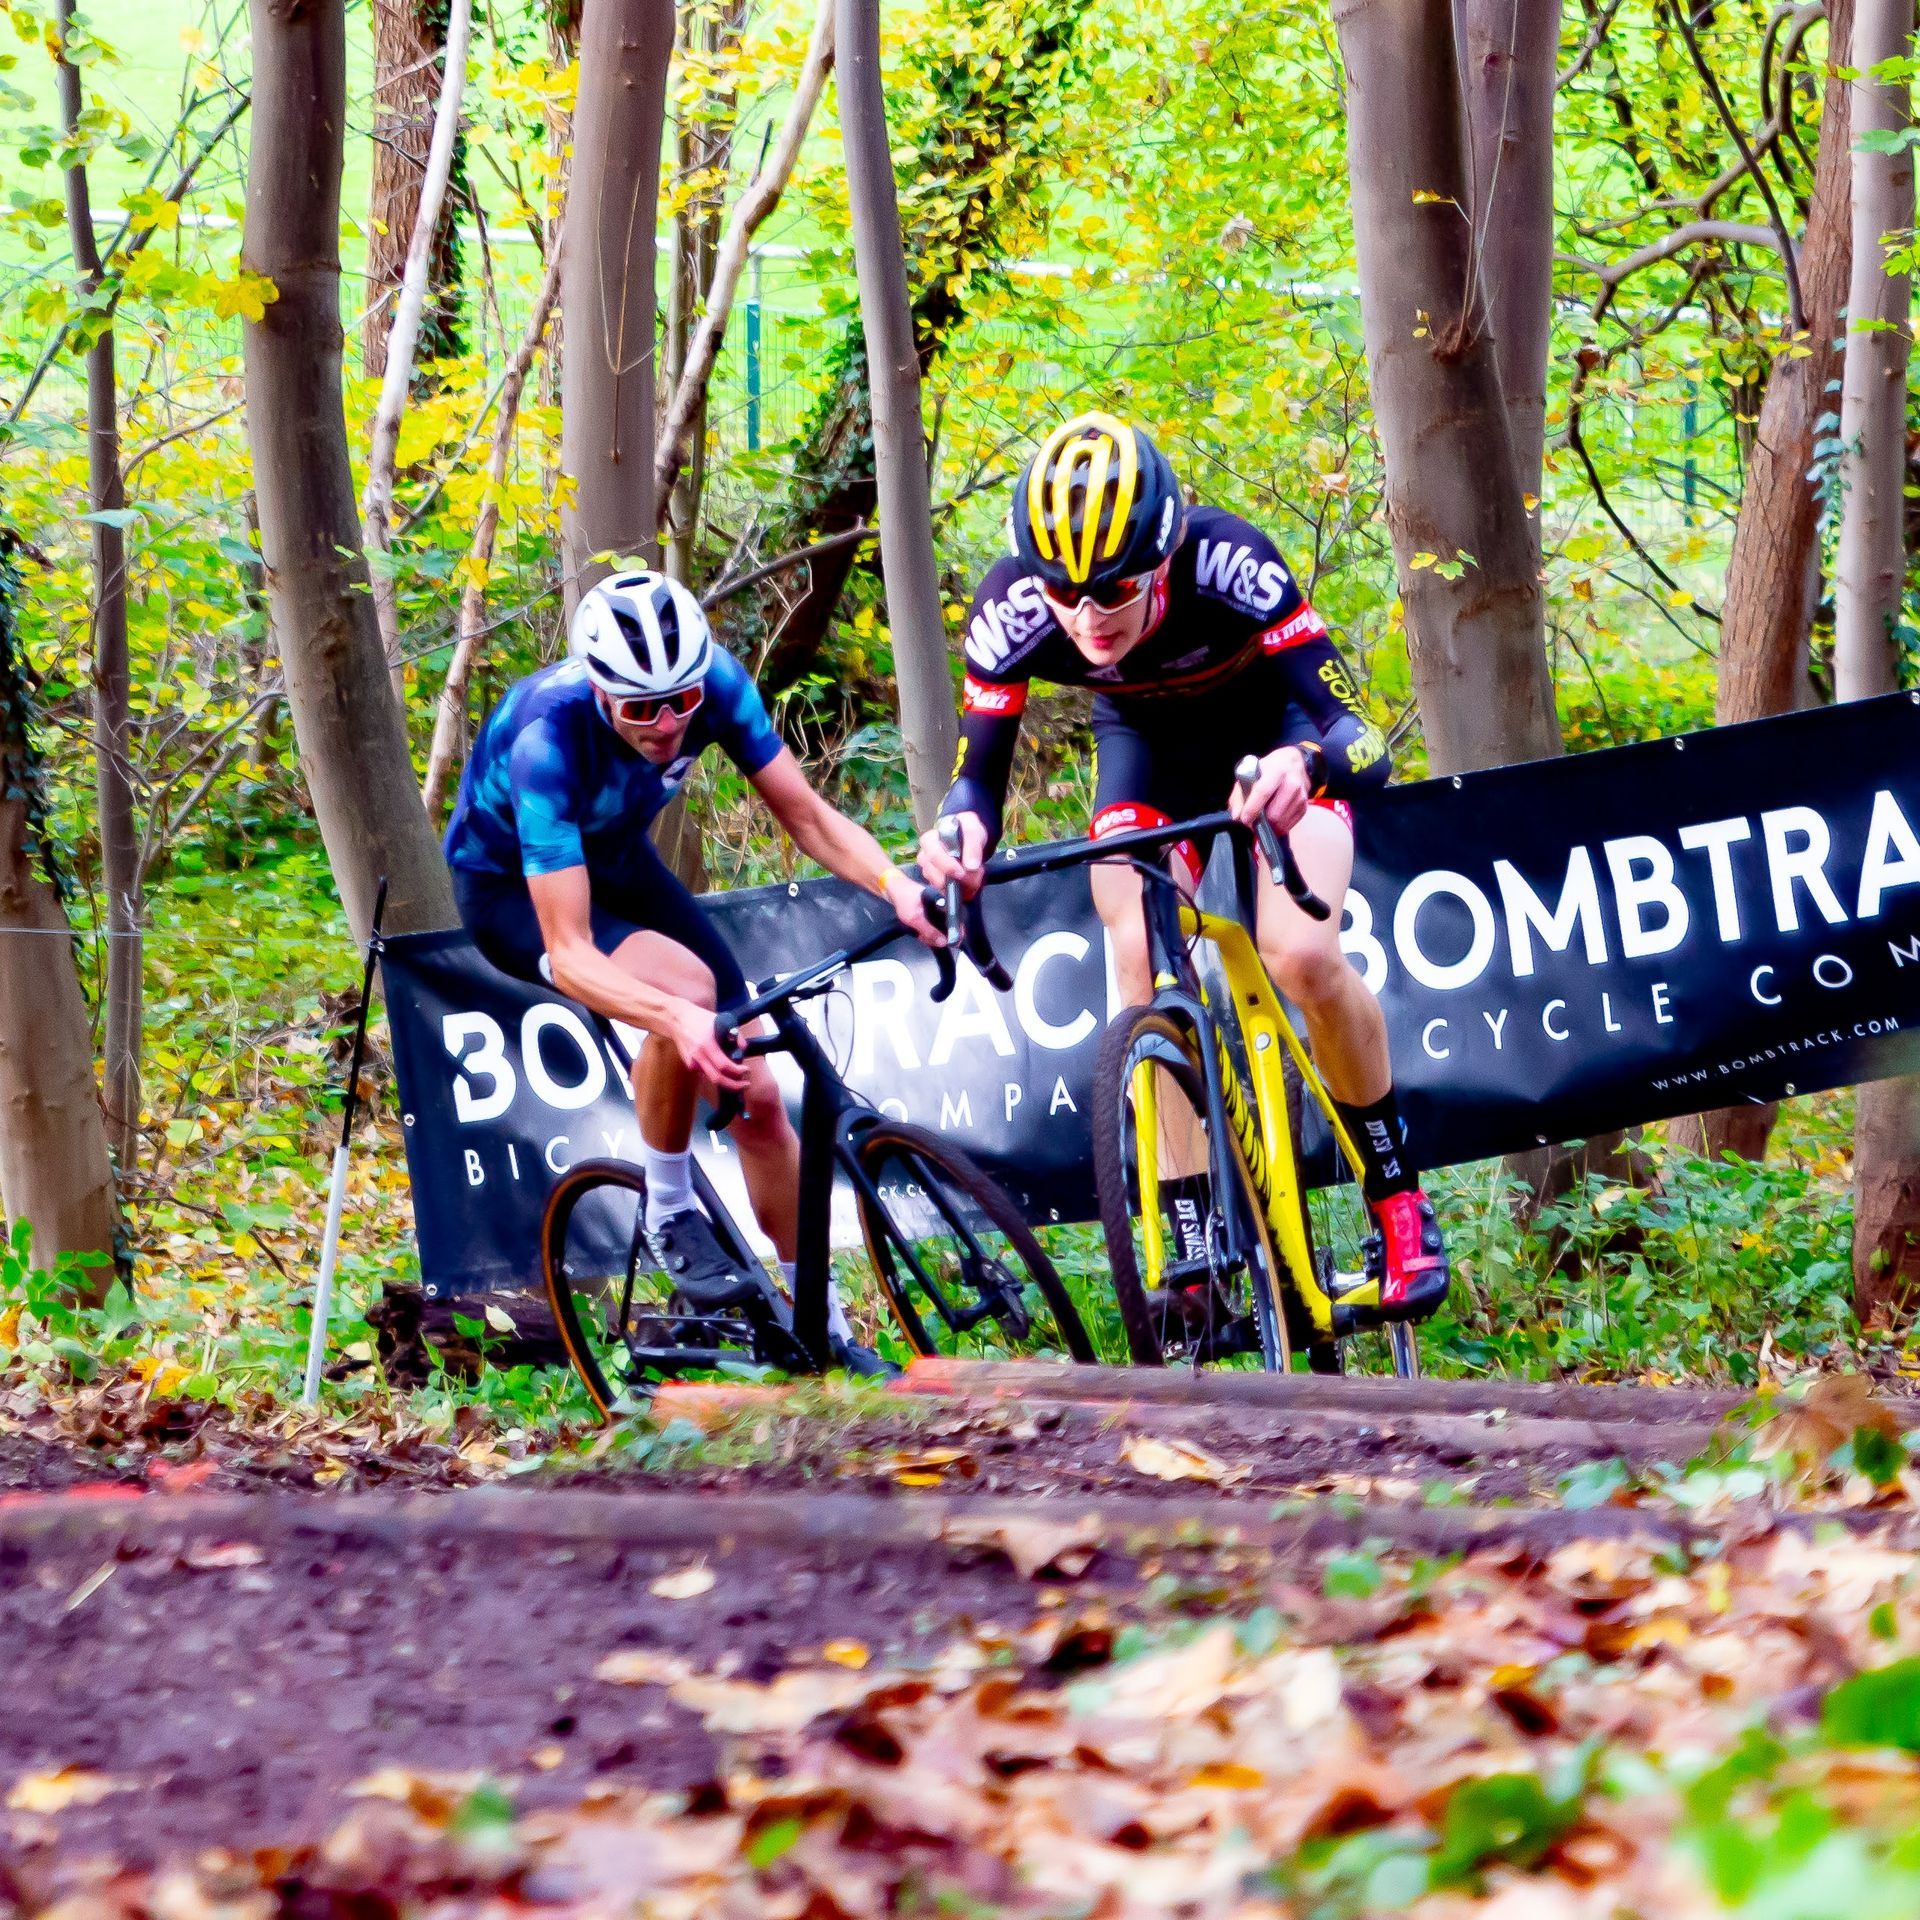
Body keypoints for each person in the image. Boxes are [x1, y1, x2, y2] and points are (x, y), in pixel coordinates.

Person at [919, 411, 1450, 1325]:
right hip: (1146, 750)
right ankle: (1193, 1230)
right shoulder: (1011, 611)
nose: (1087, 616)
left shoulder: (1230, 562)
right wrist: (956, 835)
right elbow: (977, 784)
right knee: (1136, 949)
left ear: (1162, 562)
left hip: (1275, 736)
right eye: (1063, 590)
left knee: (1302, 956)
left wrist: (1307, 765)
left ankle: (1398, 1199)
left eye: (1114, 589)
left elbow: (1362, 739)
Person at [444, 569, 937, 1373]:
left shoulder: (716, 686)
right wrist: (676, 1019)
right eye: (642, 709)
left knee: (759, 1100)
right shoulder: (546, 738)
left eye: (681, 700)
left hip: (615, 859)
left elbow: (808, 817)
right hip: (511, 893)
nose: (669, 723)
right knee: (685, 993)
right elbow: (570, 954)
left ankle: (823, 1331)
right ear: (601, 692)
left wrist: (896, 885)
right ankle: (667, 1207)